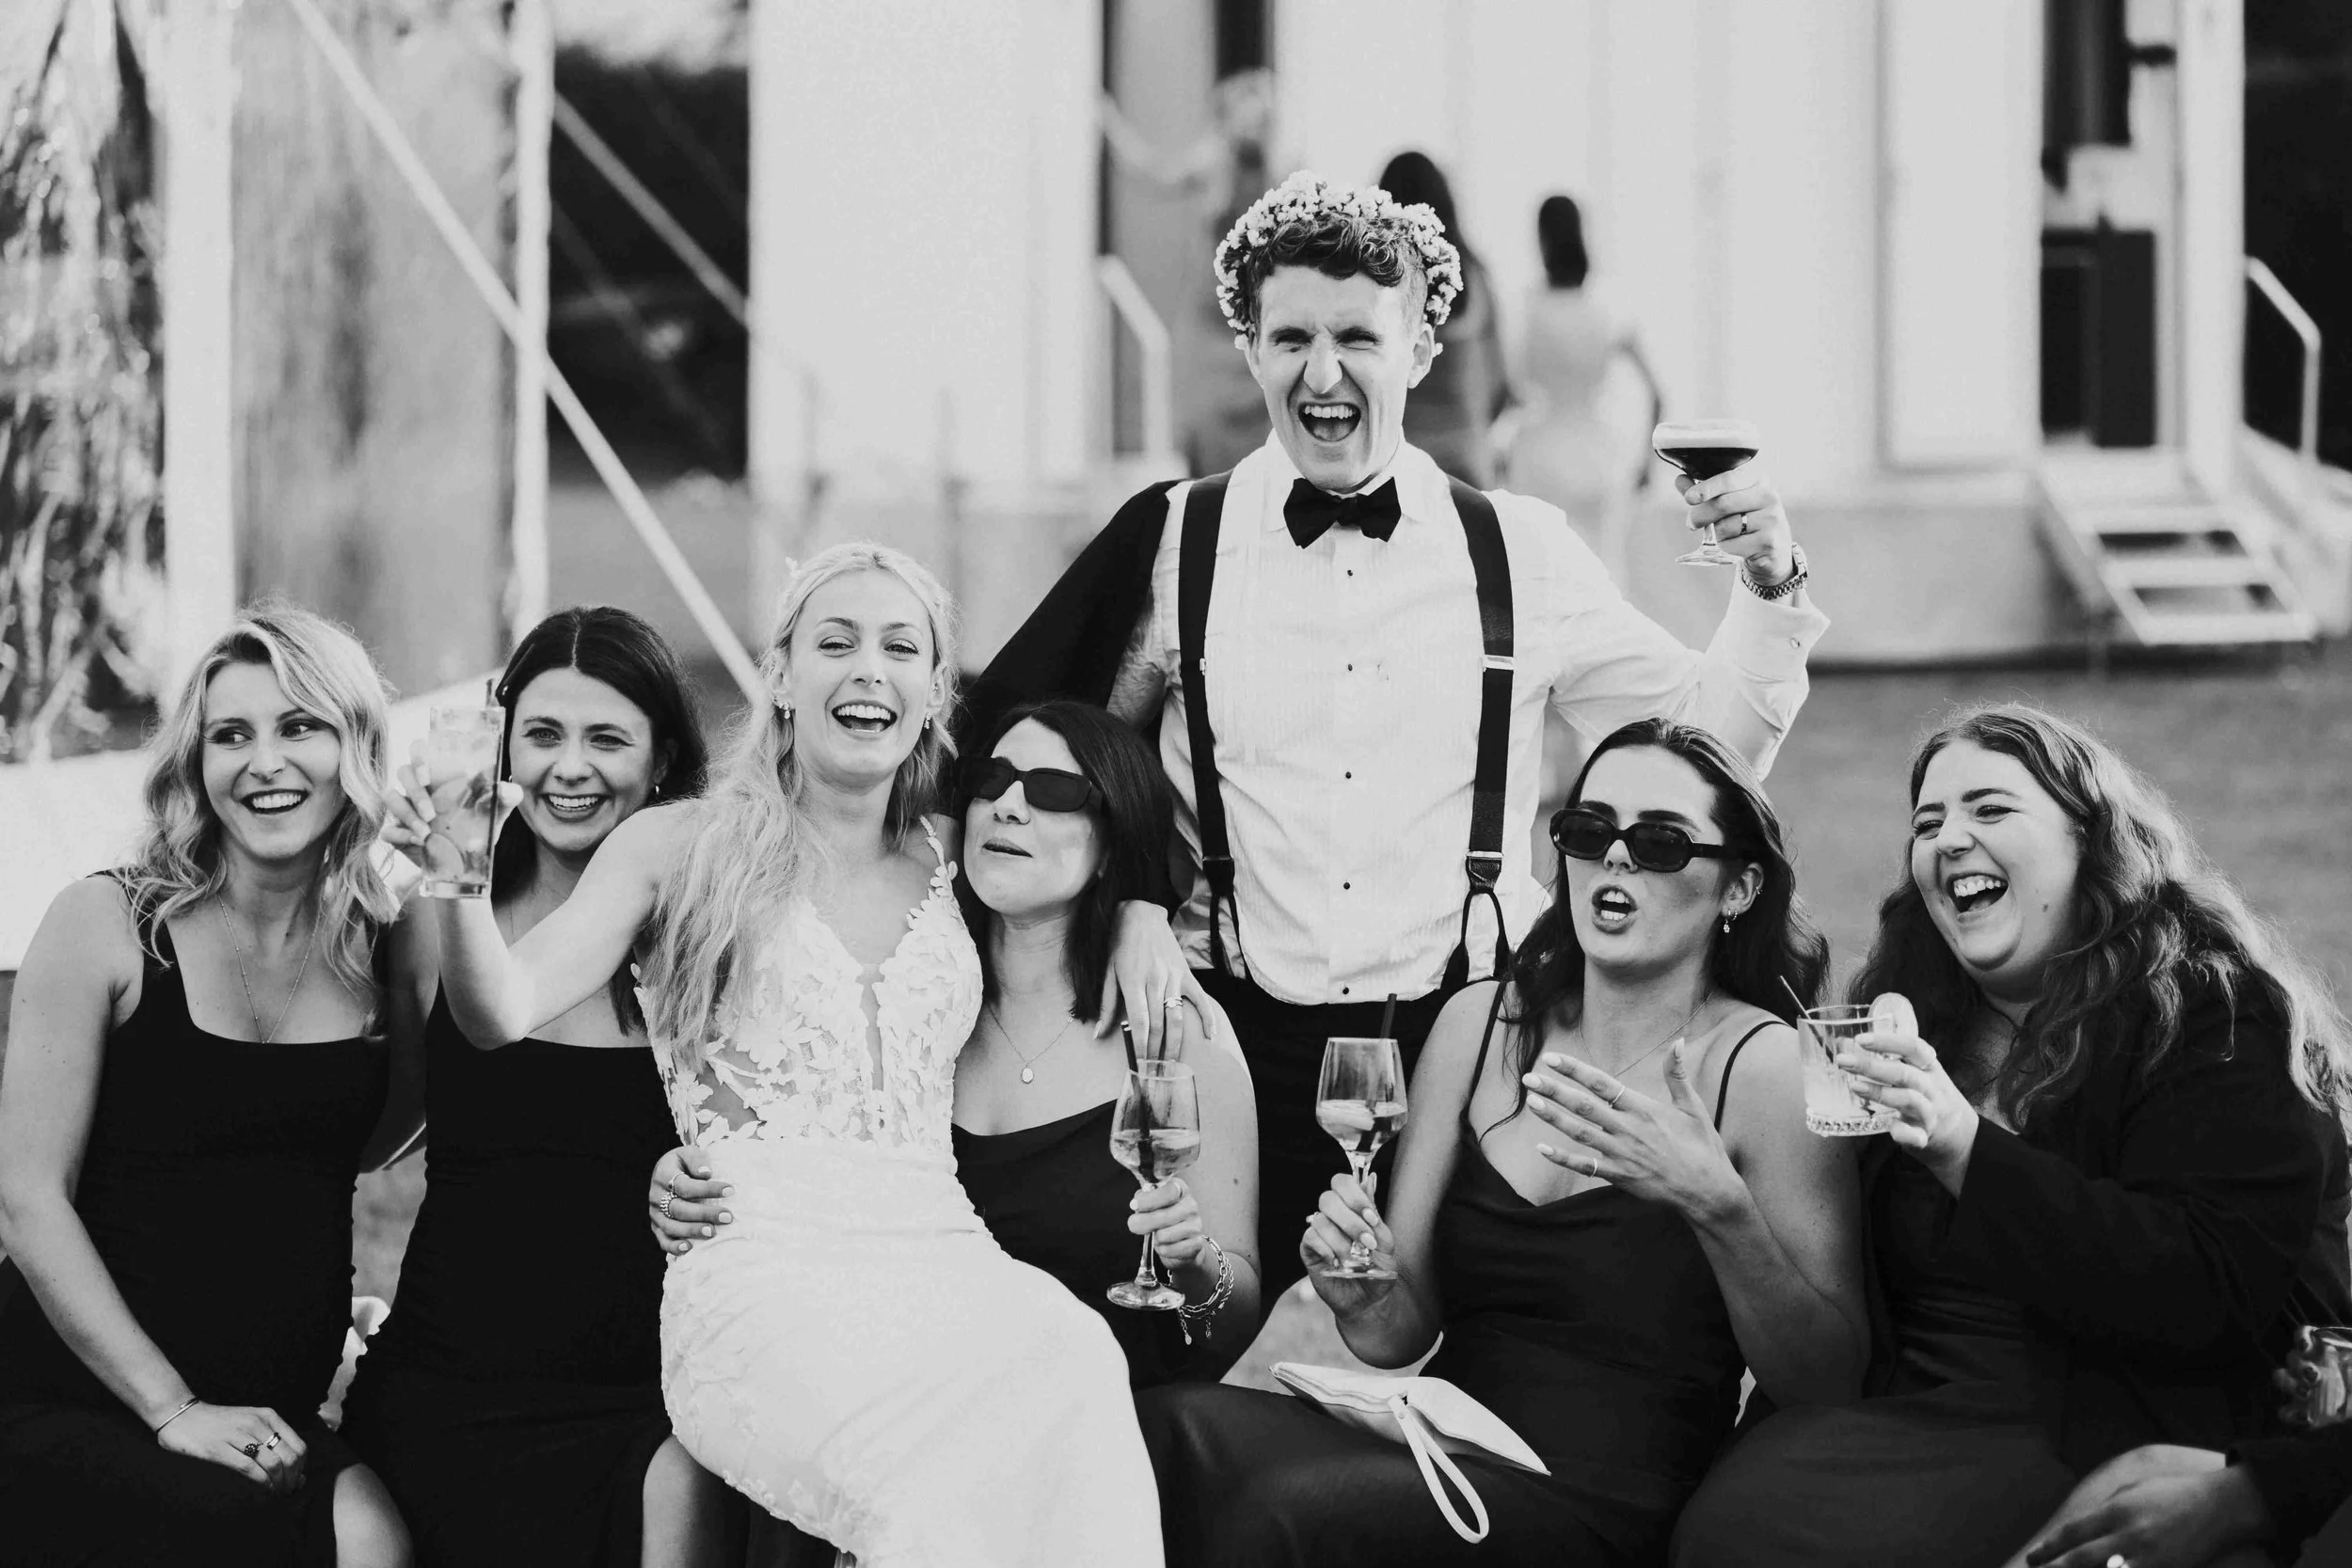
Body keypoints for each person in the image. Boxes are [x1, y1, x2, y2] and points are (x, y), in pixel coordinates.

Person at [967, 169, 1828, 1298]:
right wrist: (1133, 892)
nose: (1322, 374)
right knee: (1191, 1325)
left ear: (1421, 348)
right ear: (1250, 346)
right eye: (1289, 338)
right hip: (1230, 1035)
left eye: (1357, 338)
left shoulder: (1522, 549)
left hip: (1471, 1038)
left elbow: (1705, 757)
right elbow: (1061, 751)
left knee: (1451, 1344)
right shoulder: (1176, 542)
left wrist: (1769, 584)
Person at [421, 544, 1178, 1566]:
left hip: (945, 1256)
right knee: (926, 1474)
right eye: (835, 641)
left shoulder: (957, 849)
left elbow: (1081, 859)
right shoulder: (677, 847)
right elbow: (497, 1010)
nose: (869, 667)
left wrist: (1141, 913)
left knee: (1077, 1354)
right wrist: (459, 871)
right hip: (764, 1274)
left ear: (931, 692)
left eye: (899, 646)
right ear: (780, 676)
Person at [1136, 717, 1864, 1566]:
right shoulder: (1482, 1024)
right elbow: (1396, 1333)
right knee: (1161, 1428)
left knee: (1283, 1515)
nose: (1616, 858)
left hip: (1601, 1488)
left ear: (1738, 887)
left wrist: (1719, 1207)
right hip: (1438, 1437)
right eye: (1589, 830)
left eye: (1661, 841)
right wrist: (1361, 1288)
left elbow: (1827, 1375)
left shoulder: (1769, 1065)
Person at [1670, 703, 2352, 1568]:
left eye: (1990, 809)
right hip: (1908, 1410)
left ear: (2088, 837)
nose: (1949, 838)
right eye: (1928, 822)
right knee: (1722, 1523)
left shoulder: (2212, 1016)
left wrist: (1961, 1144)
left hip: (2106, 1418)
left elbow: (2205, 1291)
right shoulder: (1917, 1019)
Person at [655, 698, 1263, 1386]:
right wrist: (687, 1185)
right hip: (927, 1404)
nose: (1007, 804)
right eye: (991, 778)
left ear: (1109, 847)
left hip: (1130, 1420)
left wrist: (1193, 1261)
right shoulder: (919, 1015)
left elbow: (1237, 1321)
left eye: (1055, 790)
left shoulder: (1175, 1035)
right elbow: (806, 1167)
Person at [0, 604, 417, 1567]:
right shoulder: (105, 923)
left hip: (266, 1407)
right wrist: (173, 1406)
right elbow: (27, 1199)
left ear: (355, 746)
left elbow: (388, 1123)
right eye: (232, 734)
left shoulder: (382, 940)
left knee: (379, 1542)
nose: (264, 760)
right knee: (224, 1532)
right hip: (78, 1390)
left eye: (299, 725)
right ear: (195, 764)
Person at [351, 607, 742, 1567]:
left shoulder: (714, 933)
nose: (570, 768)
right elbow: (377, 1131)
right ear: (502, 748)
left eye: (607, 738)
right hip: (448, 1378)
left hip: (647, 1393)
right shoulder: (434, 920)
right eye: (543, 734)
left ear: (661, 763)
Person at [1502, 194, 1664, 586]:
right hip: (1599, 457)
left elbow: (1508, 390)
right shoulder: (1608, 305)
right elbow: (1656, 393)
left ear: (1540, 239)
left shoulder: (1526, 308)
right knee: (1604, 576)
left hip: (1539, 456)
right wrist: (1647, 460)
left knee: (1539, 579)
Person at [1375, 150, 1510, 487]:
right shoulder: (1476, 277)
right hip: (1466, 463)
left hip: (1393, 464)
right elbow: (1500, 383)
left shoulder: (1373, 284)